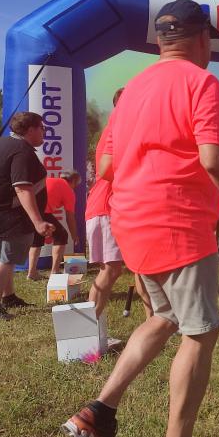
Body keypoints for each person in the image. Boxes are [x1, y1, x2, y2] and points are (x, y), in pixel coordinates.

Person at [62, 0, 219, 437]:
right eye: (209, 43)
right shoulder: (202, 82)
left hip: (132, 221)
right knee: (200, 333)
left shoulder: (132, 89)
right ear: (200, 39)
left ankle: (98, 414)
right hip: (177, 222)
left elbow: (110, 166)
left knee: (162, 319)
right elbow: (214, 160)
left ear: (162, 41)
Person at [0, 111, 54, 320]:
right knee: (4, 261)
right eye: (42, 128)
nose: (44, 132)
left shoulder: (7, 144)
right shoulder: (21, 151)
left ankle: (9, 297)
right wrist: (38, 222)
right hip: (4, 215)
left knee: (6, 258)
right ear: (31, 129)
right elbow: (22, 188)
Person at [86, 88, 151, 318]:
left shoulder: (124, 129)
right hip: (107, 207)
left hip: (118, 207)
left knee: (141, 267)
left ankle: (152, 321)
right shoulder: (116, 129)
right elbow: (109, 171)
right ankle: (88, 329)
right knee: (111, 270)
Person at [27, 169, 81, 279]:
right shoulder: (68, 190)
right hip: (42, 211)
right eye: (76, 184)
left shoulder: (50, 180)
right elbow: (70, 217)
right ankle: (55, 271)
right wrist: (74, 235)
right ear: (74, 181)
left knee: (37, 239)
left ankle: (31, 273)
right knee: (61, 235)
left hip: (31, 211)